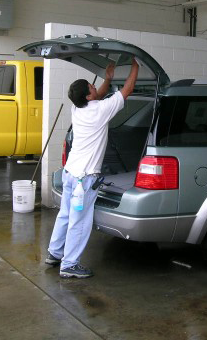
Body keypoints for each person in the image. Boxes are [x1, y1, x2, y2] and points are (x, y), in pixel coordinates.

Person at [46, 58, 140, 278]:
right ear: (88, 96)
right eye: (91, 87)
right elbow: (127, 90)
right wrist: (135, 66)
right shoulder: (100, 110)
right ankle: (69, 265)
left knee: (65, 216)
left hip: (70, 174)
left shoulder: (77, 108)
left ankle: (54, 253)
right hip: (83, 181)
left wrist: (107, 78)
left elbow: (97, 96)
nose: (95, 88)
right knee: (79, 222)